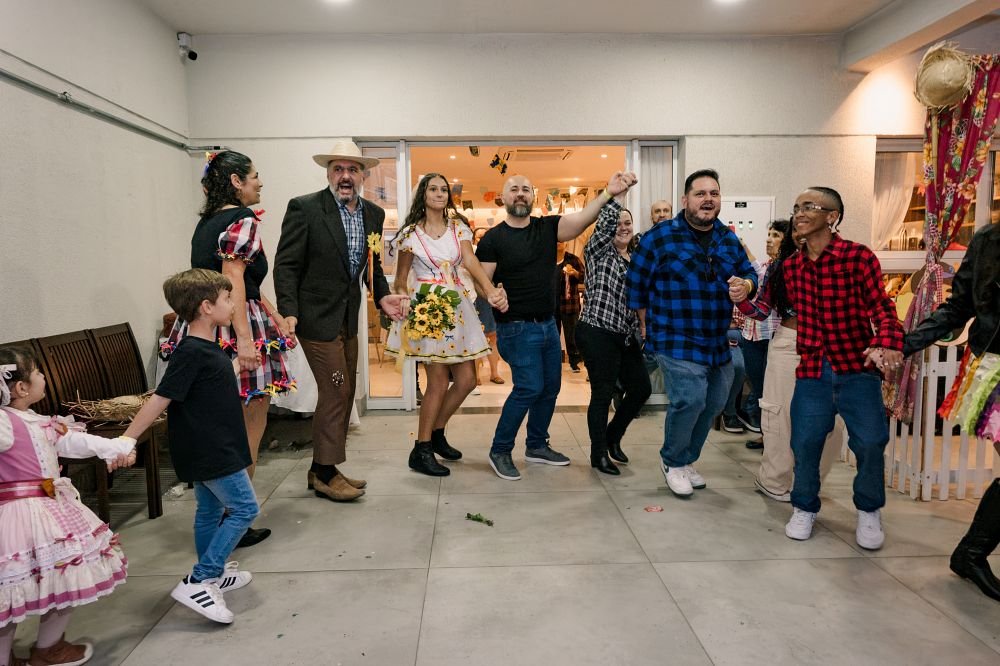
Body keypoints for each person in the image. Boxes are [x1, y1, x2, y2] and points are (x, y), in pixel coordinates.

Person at [760, 186, 903, 549]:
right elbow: (764, 309)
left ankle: (869, 510)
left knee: (870, 443)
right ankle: (804, 507)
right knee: (804, 443)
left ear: (832, 217)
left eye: (809, 206)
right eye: (796, 207)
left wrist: (888, 341)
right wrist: (741, 295)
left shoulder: (858, 257)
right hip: (812, 372)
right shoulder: (791, 267)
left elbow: (882, 308)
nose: (799, 213)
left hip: (857, 370)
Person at [161, 150, 287, 548]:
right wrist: (246, 342)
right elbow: (233, 279)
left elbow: (245, 283)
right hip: (233, 326)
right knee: (247, 427)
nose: (260, 182)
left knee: (215, 426)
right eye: (254, 175)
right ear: (236, 181)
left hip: (201, 325)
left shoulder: (206, 224)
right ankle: (236, 518)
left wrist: (276, 314)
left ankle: (215, 516)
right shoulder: (243, 219)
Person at [476, 170, 638, 481]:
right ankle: (500, 449)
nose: (520, 194)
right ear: (504, 196)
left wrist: (609, 192)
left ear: (533, 196)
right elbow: (482, 280)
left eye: (526, 189)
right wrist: (492, 293)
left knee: (551, 387)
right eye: (514, 189)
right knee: (529, 387)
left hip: (548, 325)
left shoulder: (547, 227)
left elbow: (583, 218)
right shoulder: (493, 238)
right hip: (516, 327)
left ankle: (537, 445)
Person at [273, 139, 408, 502]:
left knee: (345, 391)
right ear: (328, 174)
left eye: (352, 169)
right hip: (314, 319)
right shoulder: (305, 208)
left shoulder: (373, 214)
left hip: (348, 318)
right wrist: (288, 310)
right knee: (335, 390)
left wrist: (383, 295)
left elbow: (372, 266)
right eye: (338, 169)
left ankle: (323, 467)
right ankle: (325, 474)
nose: (345, 176)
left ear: (363, 176)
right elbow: (286, 265)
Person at [124, 269, 259, 624]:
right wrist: (127, 438)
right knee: (245, 509)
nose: (233, 305)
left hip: (214, 445)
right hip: (212, 449)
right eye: (227, 299)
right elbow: (161, 398)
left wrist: (238, 363)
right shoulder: (190, 352)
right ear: (206, 307)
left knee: (210, 511)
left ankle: (213, 573)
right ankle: (200, 579)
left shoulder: (205, 349)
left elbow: (208, 383)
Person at [0, 348, 135, 666]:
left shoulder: (40, 422)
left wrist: (116, 447)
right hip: (19, 518)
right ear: (21, 388)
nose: (43, 377)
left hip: (51, 511)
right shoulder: (4, 422)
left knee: (64, 576)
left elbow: (75, 443)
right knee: (9, 594)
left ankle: (49, 648)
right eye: (38, 372)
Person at [627, 168, 756, 497]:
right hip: (674, 337)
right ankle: (672, 460)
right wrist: (644, 325)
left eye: (714, 193)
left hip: (716, 340)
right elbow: (636, 286)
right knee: (690, 400)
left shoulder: (728, 239)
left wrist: (747, 285)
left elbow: (749, 273)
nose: (708, 199)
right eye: (700, 194)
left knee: (714, 403)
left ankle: (685, 460)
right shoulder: (659, 237)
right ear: (685, 200)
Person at [901, 222, 1000, 601]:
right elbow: (959, 306)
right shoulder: (990, 240)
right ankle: (971, 555)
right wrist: (904, 343)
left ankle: (970, 554)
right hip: (995, 366)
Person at [384, 173, 508, 476]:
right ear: (423, 195)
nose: (439, 193)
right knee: (438, 382)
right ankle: (422, 448)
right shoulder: (410, 234)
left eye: (443, 189)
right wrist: (401, 298)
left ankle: (436, 432)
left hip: (457, 306)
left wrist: (490, 290)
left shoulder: (458, 228)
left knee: (467, 380)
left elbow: (470, 262)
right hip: (428, 308)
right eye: (433, 189)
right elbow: (400, 279)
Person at [734, 222, 845, 502]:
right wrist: (741, 300)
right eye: (796, 228)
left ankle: (809, 481)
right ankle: (774, 480)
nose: (801, 234)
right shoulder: (780, 267)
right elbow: (761, 310)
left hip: (829, 346)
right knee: (778, 415)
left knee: (833, 423)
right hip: (787, 343)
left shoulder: (844, 261)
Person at [575, 203, 651, 475]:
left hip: (625, 334)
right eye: (618, 223)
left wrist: (643, 324)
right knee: (602, 393)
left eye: (627, 222)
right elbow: (605, 225)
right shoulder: (598, 252)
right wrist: (617, 195)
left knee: (641, 388)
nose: (623, 227)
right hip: (596, 330)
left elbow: (641, 297)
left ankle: (612, 436)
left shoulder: (636, 259)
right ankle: (598, 455)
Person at [472, 227, 504, 385]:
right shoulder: (470, 254)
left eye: (484, 236)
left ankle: (494, 373)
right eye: (479, 236)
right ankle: (475, 375)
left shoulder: (496, 252)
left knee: (492, 336)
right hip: (473, 297)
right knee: (476, 337)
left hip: (490, 299)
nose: (481, 239)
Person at [554, 242, 585, 372]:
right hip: (552, 304)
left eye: (561, 241)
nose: (558, 243)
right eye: (557, 241)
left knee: (571, 335)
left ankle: (574, 362)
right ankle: (553, 363)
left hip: (569, 304)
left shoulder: (572, 259)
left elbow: (585, 277)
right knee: (553, 336)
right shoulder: (547, 258)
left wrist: (575, 273)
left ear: (566, 244)